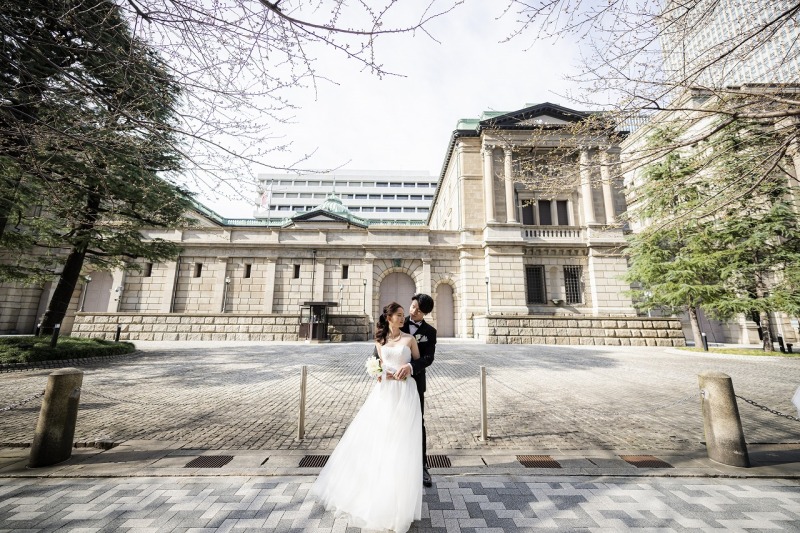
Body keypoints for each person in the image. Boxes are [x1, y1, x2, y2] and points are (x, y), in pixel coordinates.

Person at [311, 302, 423, 533]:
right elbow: (378, 367)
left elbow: (419, 363)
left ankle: (399, 497)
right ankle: (376, 491)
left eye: (404, 315)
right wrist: (380, 374)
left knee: (402, 441)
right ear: (389, 317)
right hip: (385, 394)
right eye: (399, 315)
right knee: (380, 438)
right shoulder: (379, 342)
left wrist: (410, 368)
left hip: (406, 393)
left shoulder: (410, 340)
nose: (403, 319)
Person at [390, 293, 437, 487]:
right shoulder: (398, 321)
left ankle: (421, 466)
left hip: (415, 382)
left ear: (424, 313)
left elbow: (428, 358)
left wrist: (411, 367)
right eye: (413, 306)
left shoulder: (430, 332)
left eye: (418, 310)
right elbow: (381, 348)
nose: (413, 311)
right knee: (391, 421)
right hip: (391, 384)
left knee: (417, 422)